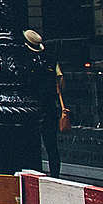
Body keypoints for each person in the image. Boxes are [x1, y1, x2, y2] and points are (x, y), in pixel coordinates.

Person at [25, 30, 68, 177]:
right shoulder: (50, 59)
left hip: (31, 106)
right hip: (49, 105)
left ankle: (34, 173)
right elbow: (60, 80)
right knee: (51, 144)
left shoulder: (25, 60)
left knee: (32, 142)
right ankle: (55, 174)